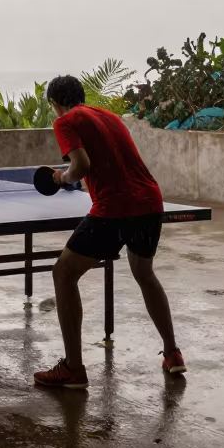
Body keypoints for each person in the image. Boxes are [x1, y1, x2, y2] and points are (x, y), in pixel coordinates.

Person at [34, 74, 185, 390]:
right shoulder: (109, 116)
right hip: (150, 202)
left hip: (115, 208)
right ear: (81, 97)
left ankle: (73, 369)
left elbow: (81, 165)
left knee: (63, 273)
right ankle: (172, 353)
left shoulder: (65, 122)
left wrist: (63, 179)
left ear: (56, 104)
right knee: (144, 273)